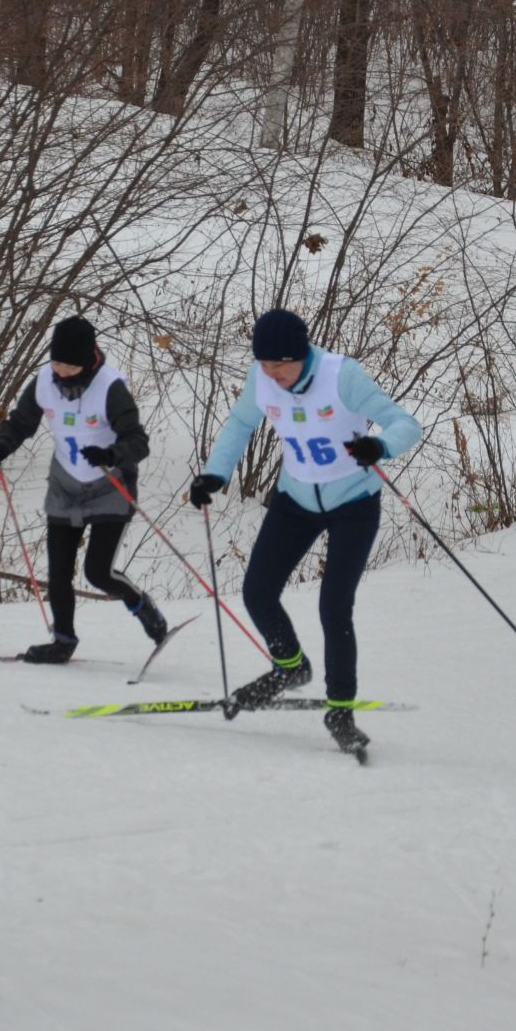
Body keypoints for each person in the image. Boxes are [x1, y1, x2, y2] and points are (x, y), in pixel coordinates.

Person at [186, 308, 421, 752]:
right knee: (257, 591)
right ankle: (290, 666)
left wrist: (381, 445)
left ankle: (340, 711)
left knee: (334, 606)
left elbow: (406, 423)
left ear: (302, 355)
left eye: (280, 365)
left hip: (353, 503)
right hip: (294, 500)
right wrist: (214, 474)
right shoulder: (262, 378)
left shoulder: (341, 376)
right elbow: (239, 424)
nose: (272, 374)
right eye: (264, 365)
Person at [0, 316, 169, 663]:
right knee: (58, 573)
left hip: (110, 486)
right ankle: (63, 641)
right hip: (65, 486)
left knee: (97, 572)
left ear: (86, 360)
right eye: (55, 361)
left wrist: (112, 454)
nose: (60, 370)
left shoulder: (110, 387)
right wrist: (2, 444)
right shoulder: (43, 382)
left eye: (69, 364)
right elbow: (21, 422)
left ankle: (142, 605)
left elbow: (137, 441)